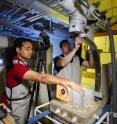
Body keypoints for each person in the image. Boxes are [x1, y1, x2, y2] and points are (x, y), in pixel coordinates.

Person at [1, 38, 83, 124]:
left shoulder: (21, 63)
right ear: (18, 50)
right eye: (27, 49)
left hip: (24, 101)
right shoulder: (17, 66)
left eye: (31, 49)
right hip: (15, 106)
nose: (31, 52)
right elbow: (42, 78)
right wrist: (70, 83)